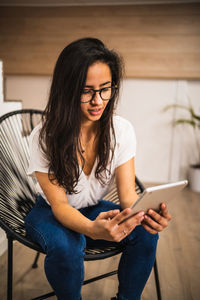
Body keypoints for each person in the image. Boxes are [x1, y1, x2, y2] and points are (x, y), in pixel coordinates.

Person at [25, 37, 171, 300]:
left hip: (93, 209)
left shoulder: (121, 130)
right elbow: (60, 206)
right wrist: (92, 229)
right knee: (66, 246)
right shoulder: (45, 136)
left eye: (106, 88)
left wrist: (145, 215)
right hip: (50, 214)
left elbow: (127, 196)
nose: (98, 101)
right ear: (67, 89)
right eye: (86, 90)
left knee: (145, 233)